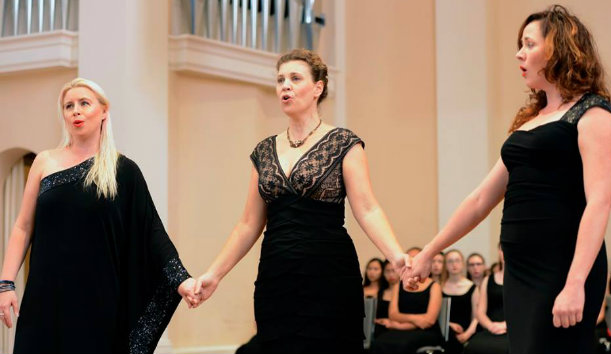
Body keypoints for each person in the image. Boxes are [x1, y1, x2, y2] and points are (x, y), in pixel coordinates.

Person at [410, 5, 611, 354]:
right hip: (520, 272)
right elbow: (480, 200)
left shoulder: (593, 113)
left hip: (562, 268)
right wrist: (430, 252)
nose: (519, 54)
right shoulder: (529, 122)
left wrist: (575, 283)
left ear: (558, 49)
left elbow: (599, 202)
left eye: (529, 44)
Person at [192, 49, 410, 354]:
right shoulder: (264, 151)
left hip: (329, 273)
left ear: (318, 87)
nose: (285, 86)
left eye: (295, 78)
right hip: (277, 273)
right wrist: (213, 275)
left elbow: (368, 209)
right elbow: (248, 224)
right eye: (280, 79)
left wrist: (397, 256)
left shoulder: (344, 143)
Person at [0, 78, 197, 354]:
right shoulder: (44, 162)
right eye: (68, 106)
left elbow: (151, 231)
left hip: (97, 301)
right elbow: (23, 227)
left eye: (84, 103)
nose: (75, 111)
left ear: (104, 111)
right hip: (45, 296)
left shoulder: (123, 171)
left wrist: (181, 280)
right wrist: (6, 283)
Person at [370, 275, 443, 354]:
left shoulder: (435, 286)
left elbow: (429, 321)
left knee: (404, 344)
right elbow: (393, 315)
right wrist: (418, 319)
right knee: (378, 342)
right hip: (401, 330)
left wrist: (398, 325)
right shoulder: (398, 285)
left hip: (427, 331)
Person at [464, 245, 509, 354]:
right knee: (473, 347)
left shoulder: (521, 281)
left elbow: (525, 312)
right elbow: (480, 312)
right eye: (503, 249)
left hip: (513, 328)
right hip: (489, 328)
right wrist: (491, 326)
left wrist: (505, 325)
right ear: (499, 252)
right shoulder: (487, 280)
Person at [442, 250, 478, 354]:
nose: (454, 264)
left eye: (457, 260)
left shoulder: (472, 287)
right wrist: (449, 324)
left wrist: (467, 334)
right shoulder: (439, 287)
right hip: (445, 329)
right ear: (445, 265)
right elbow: (437, 315)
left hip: (466, 330)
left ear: (462, 264)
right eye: (450, 261)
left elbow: (476, 317)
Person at [374, 260, 400, 338]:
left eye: (393, 271)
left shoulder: (405, 293)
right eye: (387, 271)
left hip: (399, 328)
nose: (391, 274)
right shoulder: (379, 292)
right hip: (380, 328)